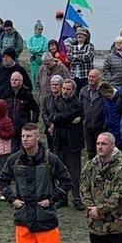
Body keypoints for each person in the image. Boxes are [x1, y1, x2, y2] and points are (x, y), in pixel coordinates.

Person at [0, 125, 73, 243]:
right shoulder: (15, 160)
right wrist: (13, 200)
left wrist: (52, 199)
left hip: (45, 216)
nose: (25, 139)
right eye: (23, 136)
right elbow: (2, 181)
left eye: (29, 136)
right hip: (24, 217)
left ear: (37, 138)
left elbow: (66, 181)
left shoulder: (50, 159)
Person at [53, 80, 85, 210]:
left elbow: (62, 117)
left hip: (73, 143)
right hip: (59, 142)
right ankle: (63, 197)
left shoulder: (77, 104)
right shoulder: (57, 102)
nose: (65, 91)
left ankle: (77, 199)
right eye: (64, 89)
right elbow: (52, 117)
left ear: (73, 90)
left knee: (74, 173)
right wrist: (64, 120)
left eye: (68, 89)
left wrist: (59, 119)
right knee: (61, 171)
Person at [4, 70, 40, 153]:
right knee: (12, 151)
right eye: (12, 80)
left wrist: (32, 123)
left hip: (23, 128)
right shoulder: (7, 93)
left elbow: (36, 109)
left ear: (21, 81)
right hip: (10, 127)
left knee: (24, 150)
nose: (13, 82)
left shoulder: (26, 94)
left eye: (16, 80)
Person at [79, 69, 105, 160]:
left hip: (100, 127)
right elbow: (80, 107)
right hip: (87, 126)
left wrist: (104, 124)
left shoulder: (103, 91)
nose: (90, 78)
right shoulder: (84, 91)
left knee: (101, 152)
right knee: (90, 152)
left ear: (99, 78)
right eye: (89, 76)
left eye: (93, 77)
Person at [66, 27, 94, 92]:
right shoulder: (72, 47)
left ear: (85, 36)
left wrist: (76, 56)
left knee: (85, 93)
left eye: (82, 34)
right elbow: (69, 58)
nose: (79, 36)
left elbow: (88, 56)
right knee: (74, 94)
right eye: (78, 34)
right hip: (74, 76)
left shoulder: (90, 46)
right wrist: (81, 59)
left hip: (85, 76)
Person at [26, 21, 48, 88]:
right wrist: (39, 47)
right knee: (34, 77)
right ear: (35, 29)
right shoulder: (30, 39)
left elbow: (45, 49)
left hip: (42, 61)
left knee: (43, 78)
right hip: (34, 60)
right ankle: (35, 93)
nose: (40, 31)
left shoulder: (44, 39)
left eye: (41, 29)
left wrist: (36, 49)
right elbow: (30, 49)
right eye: (39, 29)